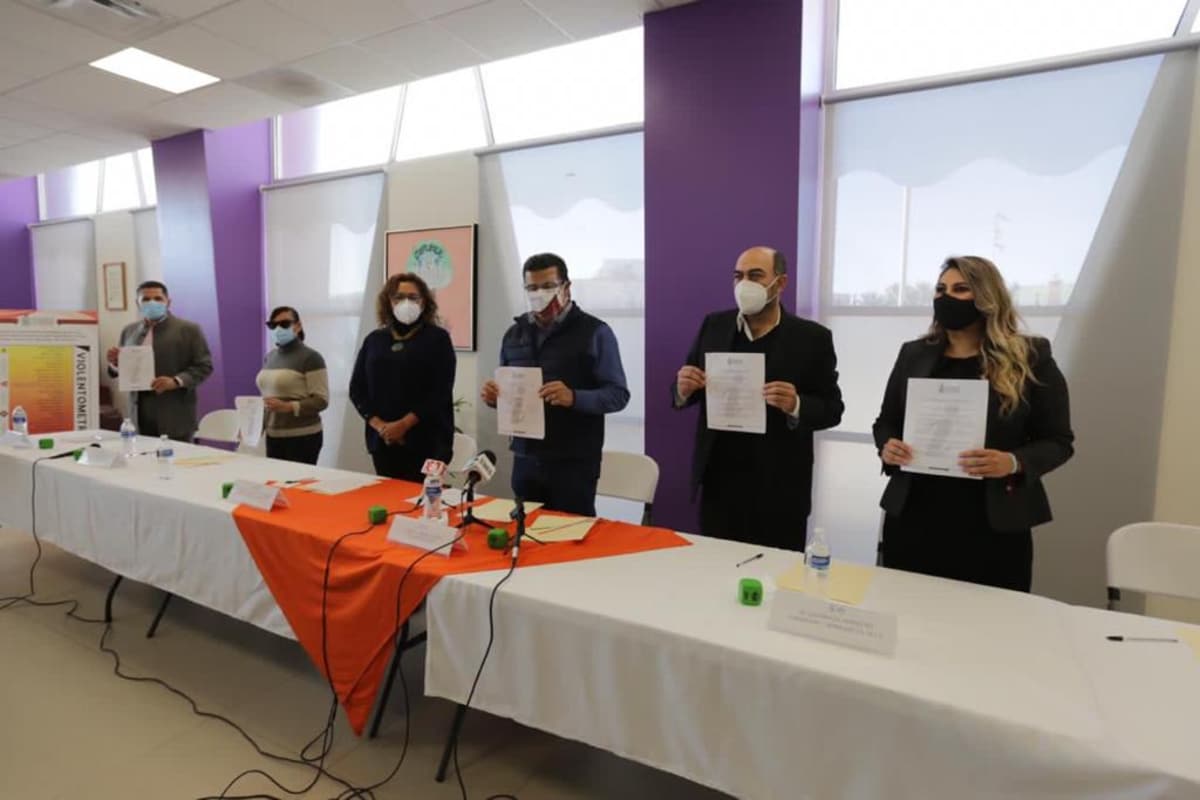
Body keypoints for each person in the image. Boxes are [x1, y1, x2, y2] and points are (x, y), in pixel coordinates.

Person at [873, 255, 1074, 592]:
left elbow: (1058, 440)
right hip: (914, 516)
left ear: (986, 296)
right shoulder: (914, 354)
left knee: (989, 631)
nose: (945, 297)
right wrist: (888, 447)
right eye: (940, 289)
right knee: (909, 616)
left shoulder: (1030, 355)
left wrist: (1011, 462)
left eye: (960, 289)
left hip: (992, 524)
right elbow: (886, 422)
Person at [674, 246, 843, 550]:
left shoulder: (812, 338)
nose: (744, 284)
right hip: (719, 483)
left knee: (777, 583)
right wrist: (683, 389)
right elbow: (685, 389)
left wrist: (797, 404)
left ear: (780, 283)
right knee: (714, 575)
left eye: (755, 275)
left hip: (779, 488)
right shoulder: (714, 325)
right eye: (738, 276)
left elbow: (832, 409)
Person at [481, 253, 629, 516]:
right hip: (526, 460)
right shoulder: (514, 334)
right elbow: (509, 393)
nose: (540, 293)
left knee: (571, 538)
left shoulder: (595, 332)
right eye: (532, 287)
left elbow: (618, 395)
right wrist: (495, 398)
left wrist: (574, 397)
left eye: (548, 286)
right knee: (525, 535)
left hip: (573, 462)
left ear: (566, 287)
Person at [350, 273, 455, 481]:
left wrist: (403, 425)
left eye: (413, 297)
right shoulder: (374, 340)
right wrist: (381, 426)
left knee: (424, 502)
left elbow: (440, 391)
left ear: (424, 302)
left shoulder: (437, 339)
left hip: (428, 439)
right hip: (382, 440)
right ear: (389, 302)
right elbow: (357, 388)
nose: (406, 302)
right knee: (390, 500)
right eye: (398, 297)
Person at [106, 280, 213, 441]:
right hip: (138, 414)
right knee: (142, 463)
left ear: (168, 302)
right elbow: (121, 369)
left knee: (176, 463)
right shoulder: (129, 331)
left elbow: (204, 366)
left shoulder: (189, 330)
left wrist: (176, 381)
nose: (152, 303)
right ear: (138, 303)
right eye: (146, 299)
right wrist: (115, 365)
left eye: (158, 299)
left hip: (175, 414)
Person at [255, 306, 329, 465]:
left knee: (297, 486)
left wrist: (289, 406)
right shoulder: (270, 357)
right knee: (277, 485)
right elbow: (267, 399)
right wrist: (253, 428)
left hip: (302, 436)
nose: (278, 329)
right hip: (274, 435)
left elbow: (321, 400)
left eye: (284, 324)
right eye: (273, 325)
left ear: (298, 326)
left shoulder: (311, 358)